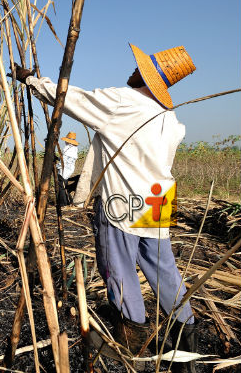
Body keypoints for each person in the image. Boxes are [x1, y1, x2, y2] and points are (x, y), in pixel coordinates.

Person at [12, 44, 198, 372]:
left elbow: (73, 98)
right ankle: (187, 353)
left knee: (120, 272)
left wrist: (31, 80)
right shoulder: (170, 119)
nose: (133, 69)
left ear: (147, 74)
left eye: (141, 66)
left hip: (123, 202)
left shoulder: (123, 102)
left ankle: (133, 351)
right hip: (158, 201)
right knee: (165, 271)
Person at [56, 132, 79, 206]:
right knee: (64, 187)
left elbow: (64, 161)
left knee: (62, 187)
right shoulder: (74, 149)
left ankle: (63, 204)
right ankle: (69, 202)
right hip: (68, 170)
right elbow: (66, 160)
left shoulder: (68, 148)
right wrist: (58, 158)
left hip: (64, 170)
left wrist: (57, 165)